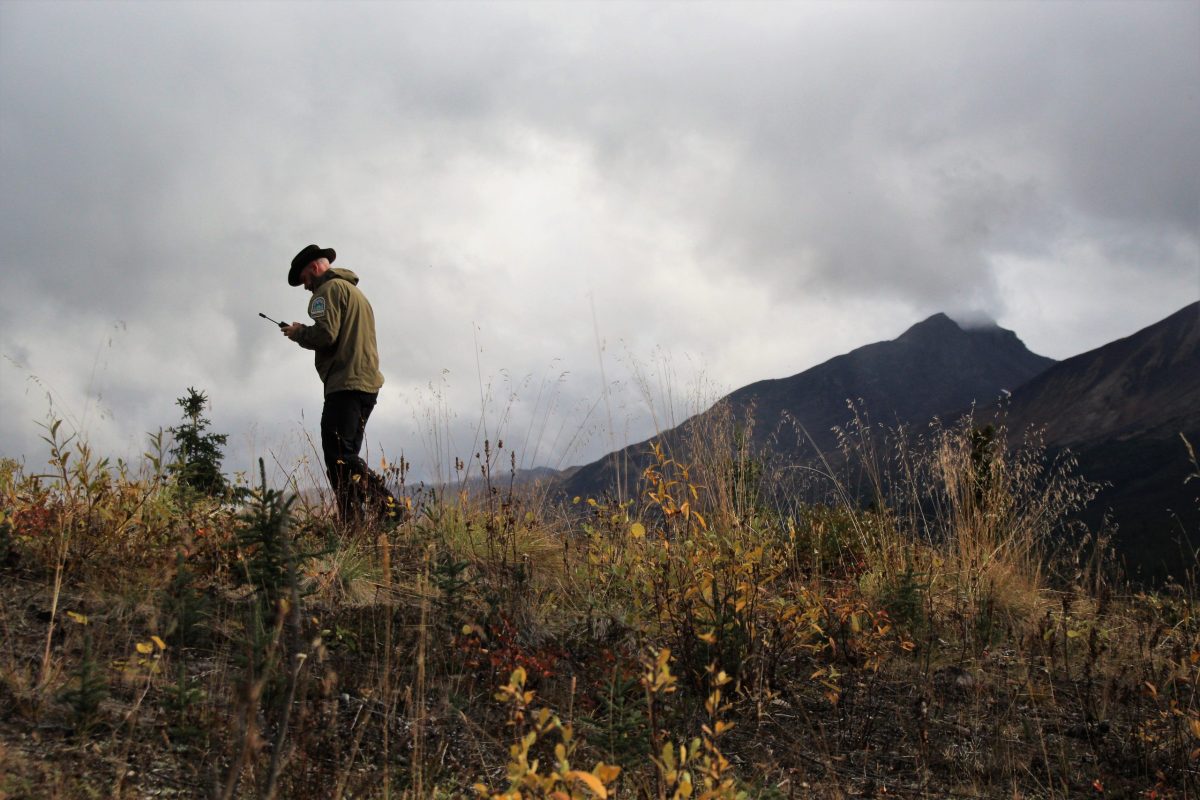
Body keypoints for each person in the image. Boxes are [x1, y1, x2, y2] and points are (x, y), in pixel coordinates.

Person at [283, 244, 396, 523]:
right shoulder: (355, 293)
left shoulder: (326, 292)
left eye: (305, 280)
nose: (306, 287)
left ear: (314, 269)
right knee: (346, 457)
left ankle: (389, 510)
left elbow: (326, 335)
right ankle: (353, 522)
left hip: (346, 383)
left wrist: (299, 332)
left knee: (339, 456)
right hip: (366, 384)